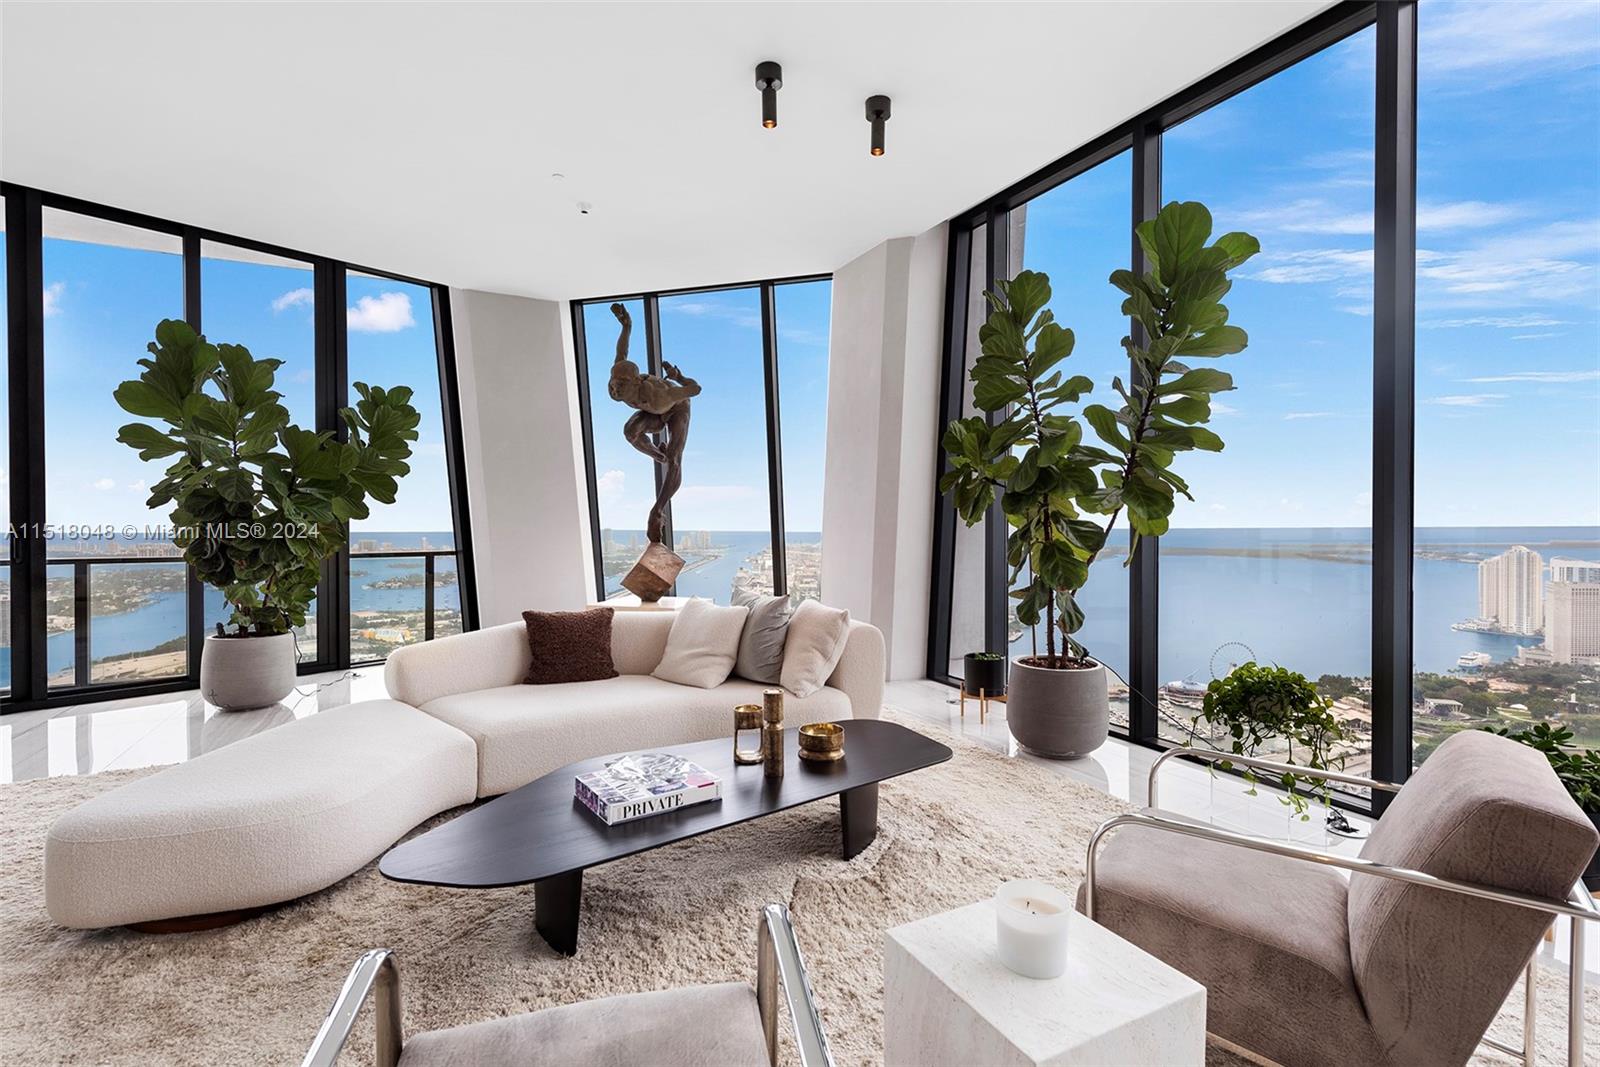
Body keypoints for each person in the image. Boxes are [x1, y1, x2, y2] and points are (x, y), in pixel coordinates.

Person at [606, 302, 699, 545]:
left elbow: (694, 389)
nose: (615, 390)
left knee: (675, 461)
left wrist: (679, 378)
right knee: (630, 432)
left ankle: (657, 510)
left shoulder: (662, 396)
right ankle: (659, 455)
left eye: (621, 386)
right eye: (613, 384)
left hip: (675, 407)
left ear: (636, 382)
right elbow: (622, 351)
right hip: (654, 414)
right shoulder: (620, 372)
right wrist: (626, 325)